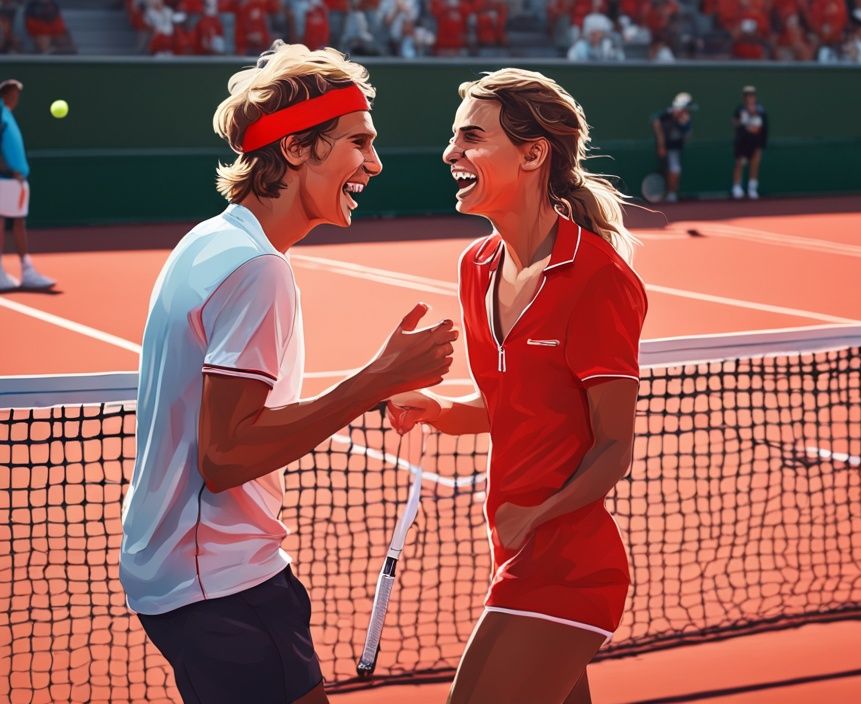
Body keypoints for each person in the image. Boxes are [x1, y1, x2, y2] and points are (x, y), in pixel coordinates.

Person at [118, 42, 457, 704]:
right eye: (359, 142)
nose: (375, 163)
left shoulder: (214, 239)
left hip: (189, 579)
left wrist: (371, 391)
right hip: (221, 586)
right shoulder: (257, 270)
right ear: (299, 149)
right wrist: (375, 380)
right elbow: (225, 454)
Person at [388, 68, 648, 704]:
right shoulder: (475, 269)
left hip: (567, 564)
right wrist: (438, 409)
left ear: (534, 154)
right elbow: (508, 403)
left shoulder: (598, 280)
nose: (451, 153)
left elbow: (614, 446)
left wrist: (538, 514)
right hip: (513, 546)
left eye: (472, 138)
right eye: (454, 138)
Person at [0, 79, 56, 292]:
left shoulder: (6, 114)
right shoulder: (1, 114)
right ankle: (22, 270)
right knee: (9, 222)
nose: (16, 98)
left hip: (13, 179)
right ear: (5, 94)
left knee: (14, 222)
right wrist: (7, 168)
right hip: (6, 178)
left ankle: (24, 270)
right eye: (14, 93)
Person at [651, 91, 694, 203]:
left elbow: (686, 135)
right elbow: (655, 121)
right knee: (674, 169)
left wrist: (682, 125)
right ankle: (670, 193)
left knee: (675, 169)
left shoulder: (686, 118)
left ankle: (672, 193)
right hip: (667, 147)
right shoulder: (666, 114)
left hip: (676, 147)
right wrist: (661, 145)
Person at [731, 84, 768, 200]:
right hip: (742, 143)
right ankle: (737, 188)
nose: (749, 98)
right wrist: (742, 122)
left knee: (754, 164)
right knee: (740, 163)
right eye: (747, 95)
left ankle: (752, 189)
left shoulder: (761, 110)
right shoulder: (740, 110)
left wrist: (761, 143)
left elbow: (764, 128)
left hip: (755, 143)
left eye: (751, 95)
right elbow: (734, 122)